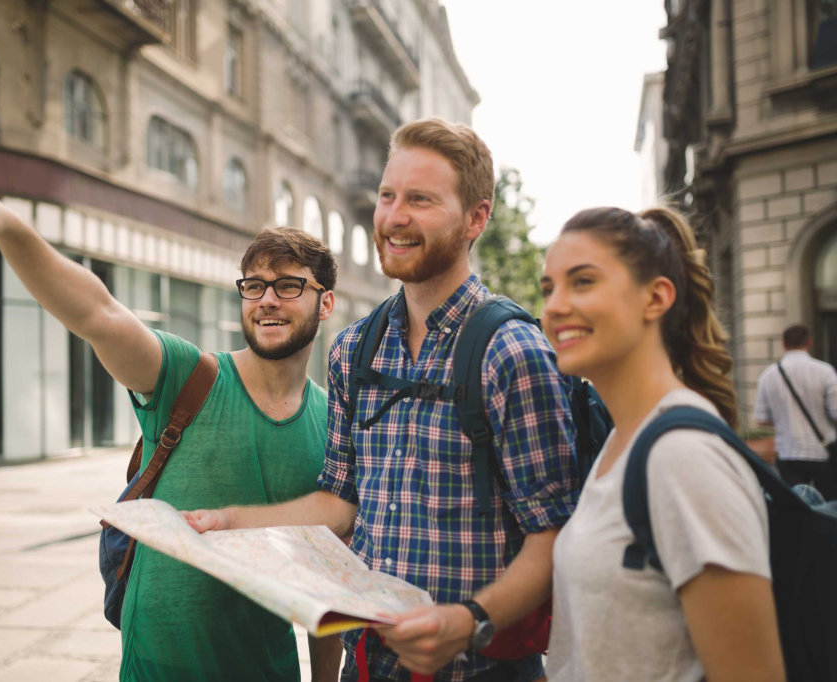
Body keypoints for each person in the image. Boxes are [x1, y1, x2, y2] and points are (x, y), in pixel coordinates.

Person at [0, 153, 344, 682]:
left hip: (267, 671)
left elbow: (329, 574)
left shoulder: (334, 422)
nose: (267, 300)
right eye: (254, 285)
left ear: (326, 303)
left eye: (288, 286)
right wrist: (11, 229)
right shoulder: (191, 376)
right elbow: (98, 313)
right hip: (156, 669)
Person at [186, 118, 578, 682]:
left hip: (482, 670)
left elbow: (553, 536)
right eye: (388, 196)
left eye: (420, 199)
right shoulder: (353, 350)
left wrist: (467, 622)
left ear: (476, 218)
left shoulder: (512, 352)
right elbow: (339, 504)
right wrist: (229, 520)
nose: (394, 217)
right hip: (369, 666)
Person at [539, 207, 784, 681]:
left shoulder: (684, 457)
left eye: (583, 282)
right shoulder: (622, 441)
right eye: (549, 288)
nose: (554, 306)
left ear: (656, 298)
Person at [754, 323, 837, 500]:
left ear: (784, 344)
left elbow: (761, 418)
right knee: (829, 505)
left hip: (787, 451)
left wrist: (784, 418)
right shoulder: (825, 371)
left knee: (795, 506)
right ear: (809, 342)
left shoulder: (768, 375)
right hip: (822, 451)